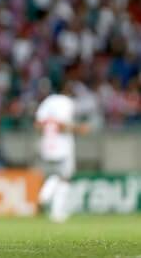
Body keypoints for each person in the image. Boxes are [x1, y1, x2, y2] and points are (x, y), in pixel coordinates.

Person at [34, 88, 89, 223]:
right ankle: (47, 198)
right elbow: (62, 125)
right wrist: (79, 129)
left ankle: (54, 208)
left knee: (57, 176)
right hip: (63, 146)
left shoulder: (46, 103)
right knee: (64, 179)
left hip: (47, 145)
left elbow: (38, 125)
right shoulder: (65, 102)